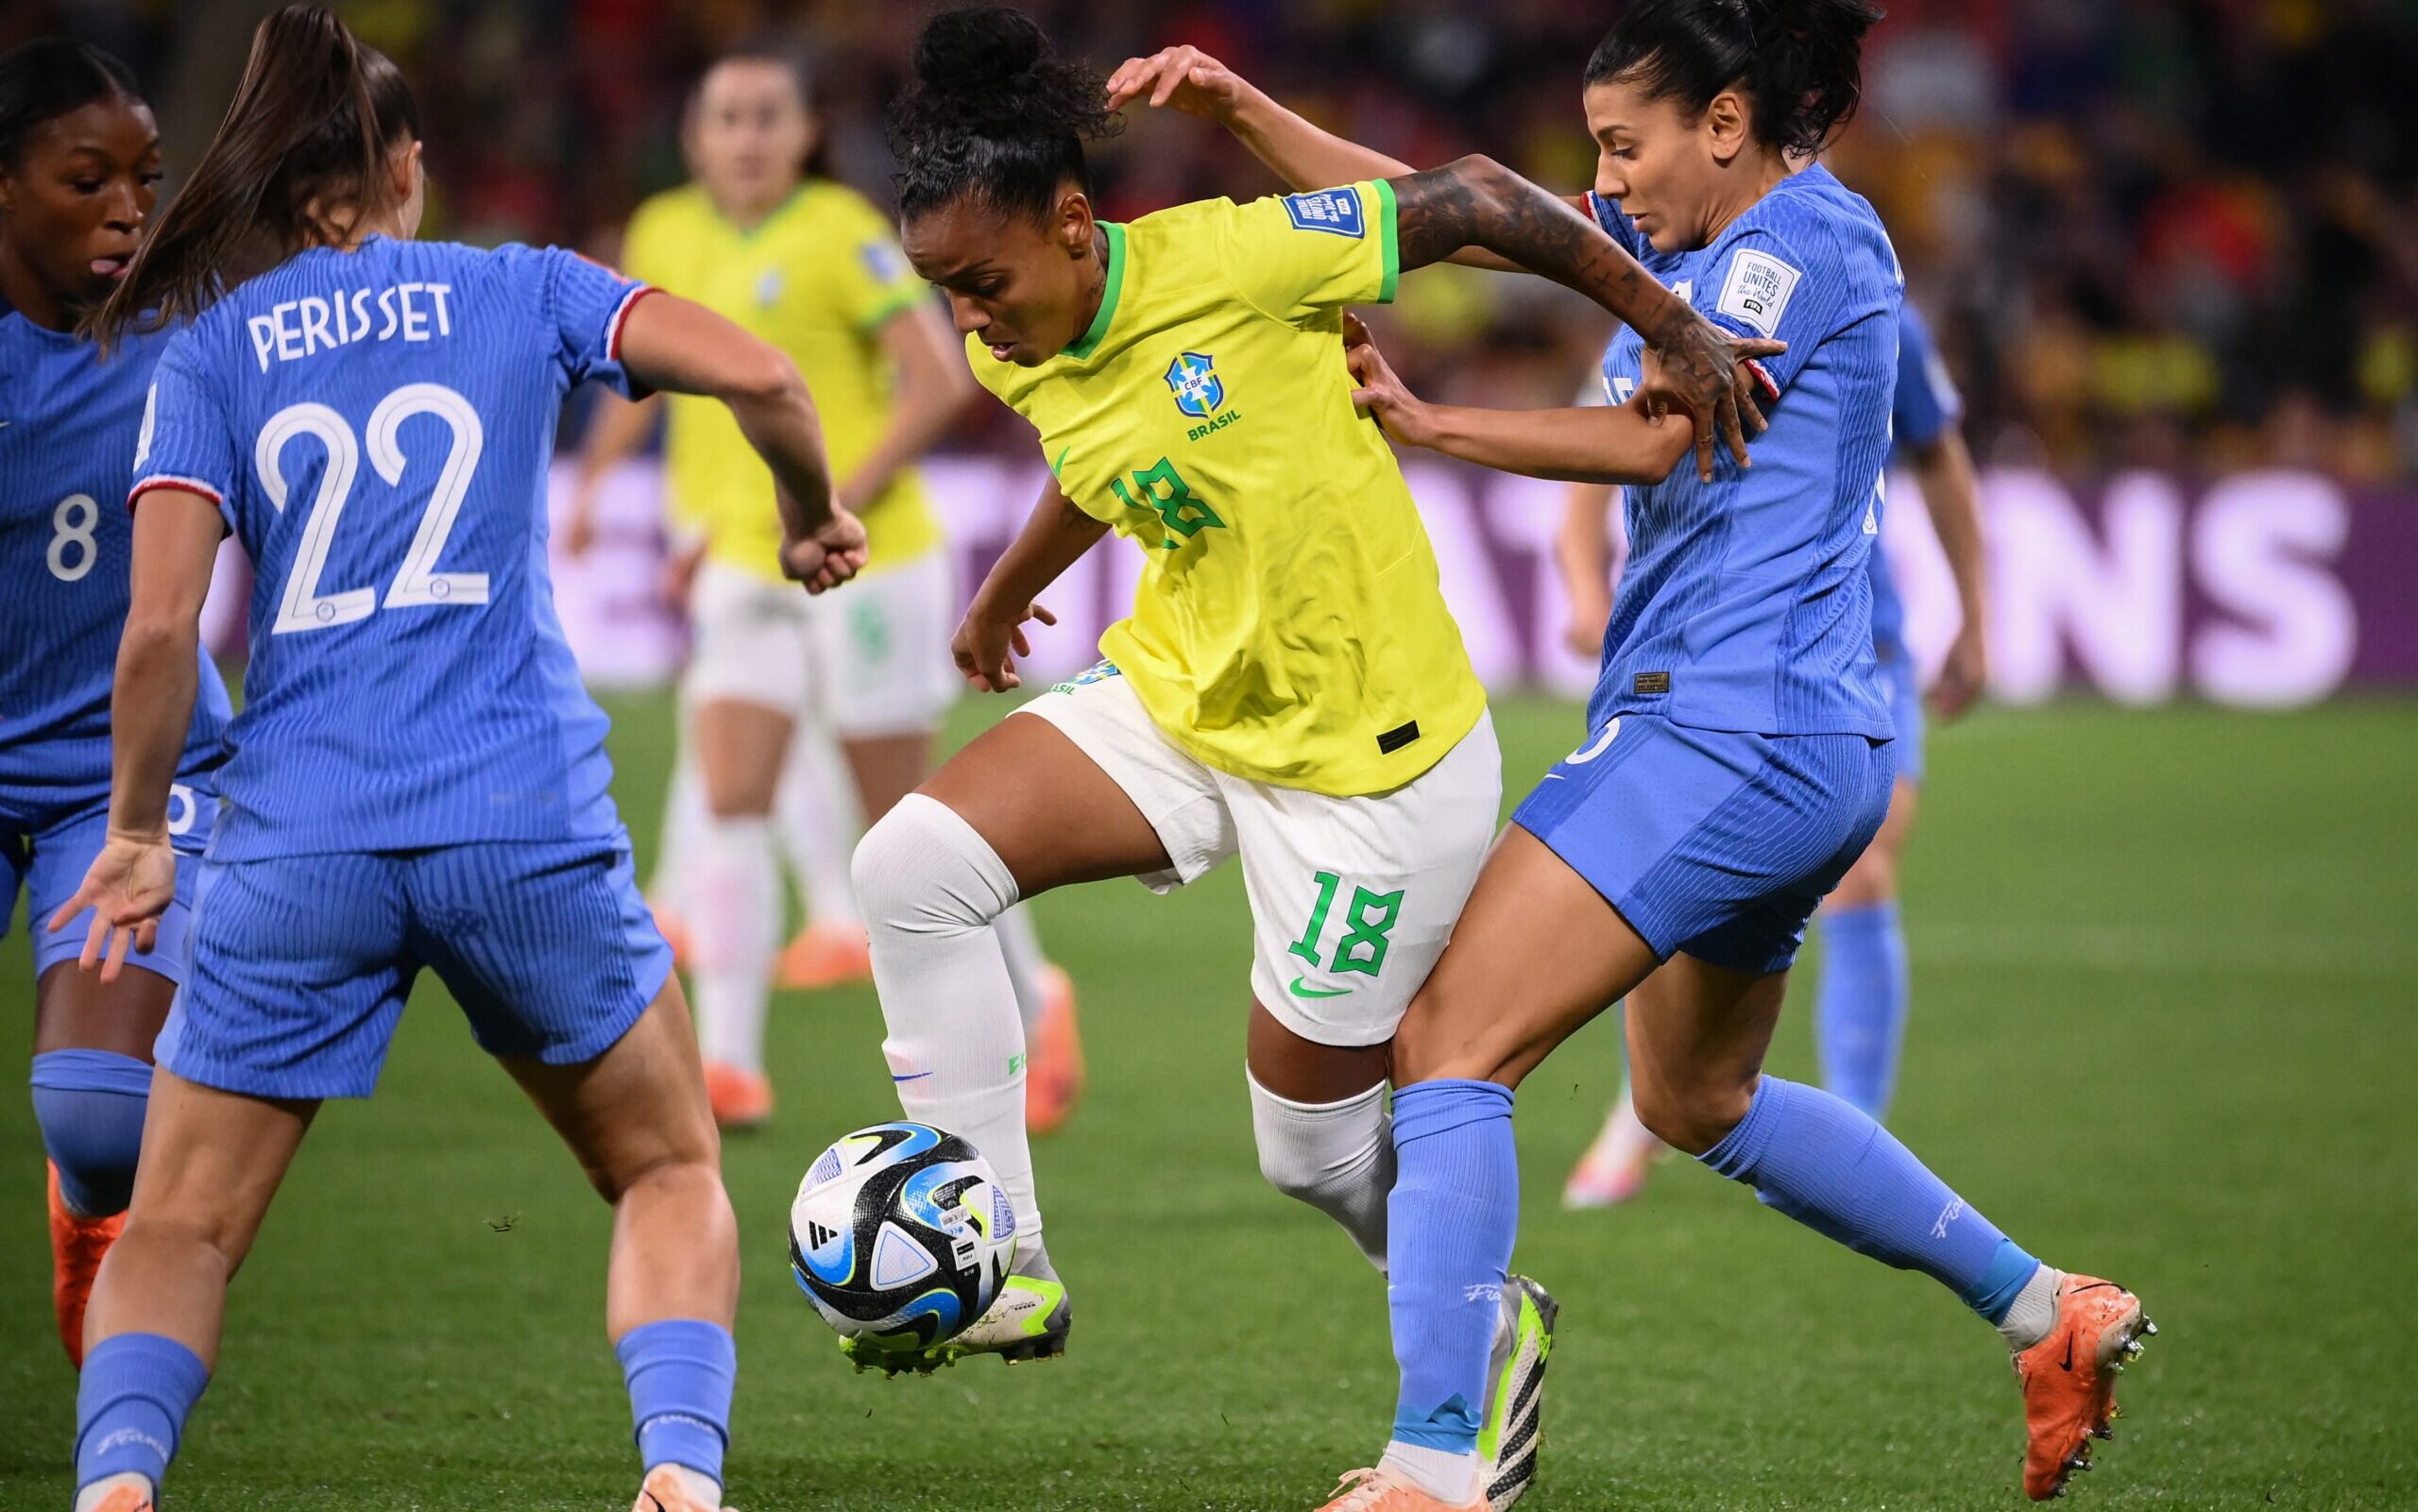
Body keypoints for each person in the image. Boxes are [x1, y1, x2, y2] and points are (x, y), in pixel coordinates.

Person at [1112, 5, 2152, 1506]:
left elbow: (1666, 433)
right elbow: (1459, 215)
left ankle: (1432, 1459)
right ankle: (2046, 1310)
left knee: (1448, 1049)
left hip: (1722, 725)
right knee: (1692, 1100)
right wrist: (1239, 111)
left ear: (1725, 124)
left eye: (1625, 145)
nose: (1608, 178)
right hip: (1792, 738)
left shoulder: (1805, 246)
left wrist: (1429, 421)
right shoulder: (1697, 237)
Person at [854, 8, 1776, 1506]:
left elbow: (1480, 194)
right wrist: (1012, 588)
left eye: (983, 281)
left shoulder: (1240, 257)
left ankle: (1481, 1329)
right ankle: (997, 1257)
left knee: (1315, 1158)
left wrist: (1669, 326)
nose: (971, 320)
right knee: (911, 867)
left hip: (1373, 766)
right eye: (945, 290)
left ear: (1078, 227)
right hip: (1184, 695)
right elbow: (1106, 465)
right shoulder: (1023, 341)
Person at [52, 9, 861, 1511]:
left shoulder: (210, 354)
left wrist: (139, 828)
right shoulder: (520, 287)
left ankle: (117, 1485)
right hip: (519, 822)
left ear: (290, 190)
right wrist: (809, 511)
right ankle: (678, 1473)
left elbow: (161, 632)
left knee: (179, 1225)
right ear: (409, 167)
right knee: (670, 1166)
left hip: (299, 841)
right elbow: (765, 378)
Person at [569, 42, 1080, 1131]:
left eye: (767, 117)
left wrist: (826, 500)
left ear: (801, 135)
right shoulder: (662, 233)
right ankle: (728, 1065)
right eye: (726, 117)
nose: (746, 137)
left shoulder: (844, 233)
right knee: (733, 800)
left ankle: (1040, 999)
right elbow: (642, 372)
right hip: (741, 565)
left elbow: (941, 381)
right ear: (695, 136)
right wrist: (599, 481)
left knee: (909, 822)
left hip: (868, 558)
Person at [1561, 294, 1990, 1205]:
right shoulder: (1642, 315)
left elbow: (1939, 450)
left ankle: (1856, 1136)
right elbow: (1586, 476)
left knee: (1866, 873)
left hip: (1852, 650)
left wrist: (1976, 618)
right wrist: (1584, 593)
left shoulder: (1865, 306)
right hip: (1690, 668)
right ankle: (1643, 1105)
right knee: (1659, 890)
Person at [0, 37, 232, 1369]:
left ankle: (90, 1217)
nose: (127, 208)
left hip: (121, 775)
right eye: (86, 179)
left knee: (97, 1121)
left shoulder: (184, 346)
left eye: (142, 178)